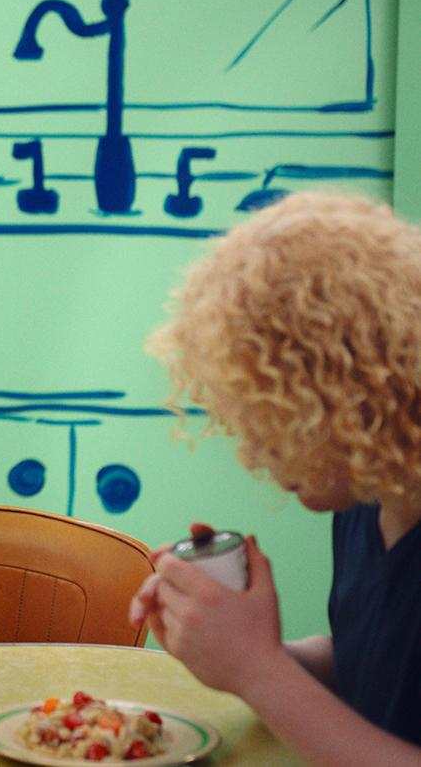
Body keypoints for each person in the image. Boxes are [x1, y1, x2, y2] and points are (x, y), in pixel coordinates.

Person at [130, 191, 421, 765]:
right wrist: (236, 647)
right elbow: (380, 667)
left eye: (276, 421)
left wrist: (257, 671)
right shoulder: (369, 497)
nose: (257, 456)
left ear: (350, 394)